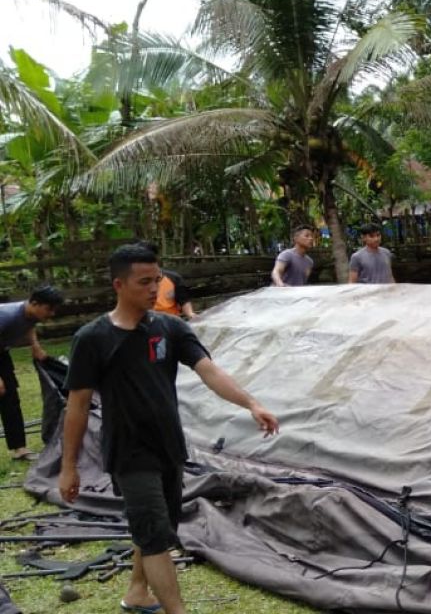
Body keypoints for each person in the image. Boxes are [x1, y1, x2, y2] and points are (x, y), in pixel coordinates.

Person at [59, 243, 279, 614]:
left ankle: (136, 593)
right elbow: (77, 406)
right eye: (144, 282)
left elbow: (209, 371)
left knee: (158, 527)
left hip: (170, 446)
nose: (154, 289)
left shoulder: (170, 327)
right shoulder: (92, 339)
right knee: (156, 536)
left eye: (157, 280)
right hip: (129, 452)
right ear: (119, 285)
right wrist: (69, 466)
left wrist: (251, 403)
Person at [0, 285, 62, 461]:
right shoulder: (7, 316)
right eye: (49, 309)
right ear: (34, 303)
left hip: (1, 352)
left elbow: (30, 325)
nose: (51, 314)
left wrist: (35, 346)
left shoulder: (30, 314)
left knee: (10, 399)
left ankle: (19, 448)